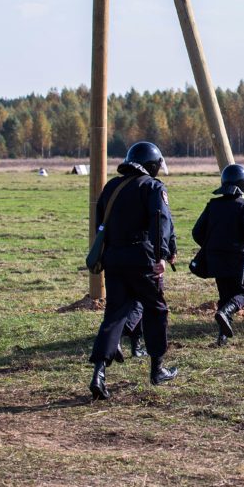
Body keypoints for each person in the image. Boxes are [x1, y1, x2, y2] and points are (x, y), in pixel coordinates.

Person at [88, 141, 179, 401]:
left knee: (114, 314)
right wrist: (161, 256)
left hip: (113, 257)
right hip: (142, 257)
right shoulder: (152, 187)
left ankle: (99, 373)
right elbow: (160, 221)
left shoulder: (111, 187)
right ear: (152, 165)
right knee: (156, 309)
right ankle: (157, 369)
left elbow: (99, 225)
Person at [192, 164, 244, 346]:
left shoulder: (213, 205)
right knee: (243, 293)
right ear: (243, 184)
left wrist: (214, 245)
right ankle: (226, 313)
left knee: (225, 295)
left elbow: (197, 232)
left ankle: (222, 338)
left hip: (215, 258)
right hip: (237, 258)